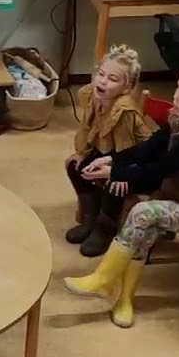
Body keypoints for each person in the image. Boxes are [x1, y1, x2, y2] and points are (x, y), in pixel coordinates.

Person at [62, 64, 179, 329]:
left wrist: (115, 172)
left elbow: (160, 170)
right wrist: (112, 159)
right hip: (167, 198)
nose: (176, 97)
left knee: (143, 212)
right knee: (141, 226)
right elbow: (147, 149)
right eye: (177, 89)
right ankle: (123, 299)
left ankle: (104, 279)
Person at [64, 44, 151, 257]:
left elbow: (128, 146)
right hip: (108, 150)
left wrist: (122, 171)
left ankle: (105, 228)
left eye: (113, 79)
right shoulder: (94, 97)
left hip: (134, 159)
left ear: (127, 87)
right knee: (76, 167)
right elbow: (88, 127)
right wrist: (83, 151)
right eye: (101, 74)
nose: (102, 81)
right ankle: (90, 218)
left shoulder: (124, 110)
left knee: (114, 184)